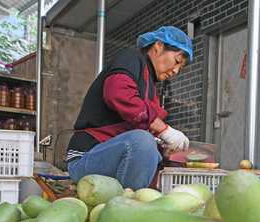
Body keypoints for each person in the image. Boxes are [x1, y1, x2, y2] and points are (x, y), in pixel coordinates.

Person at [66, 26, 193, 189]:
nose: (176, 70)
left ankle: (130, 202)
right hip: (85, 158)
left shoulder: (149, 86)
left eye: (180, 68)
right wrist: (164, 130)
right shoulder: (131, 59)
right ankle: (129, 207)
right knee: (142, 141)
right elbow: (118, 94)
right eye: (177, 61)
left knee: (151, 148)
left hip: (110, 158)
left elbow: (142, 124)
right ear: (158, 46)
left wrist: (163, 148)